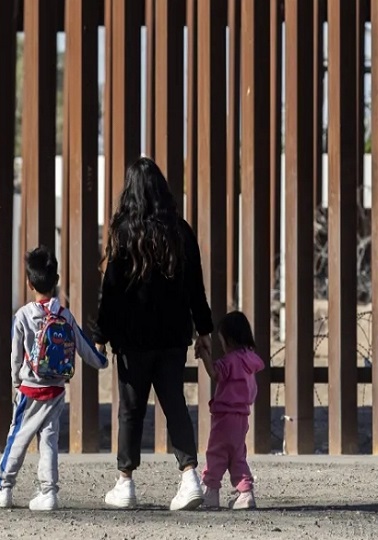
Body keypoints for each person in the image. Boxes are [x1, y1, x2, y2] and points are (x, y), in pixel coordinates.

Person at [93, 157, 214, 511]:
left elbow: (111, 291)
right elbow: (196, 287)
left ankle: (125, 483)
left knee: (130, 410)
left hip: (133, 340)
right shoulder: (181, 230)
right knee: (174, 402)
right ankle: (190, 477)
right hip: (174, 336)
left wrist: (101, 333)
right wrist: (204, 329)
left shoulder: (123, 232)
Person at [0, 246, 109, 511]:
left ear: (29, 282)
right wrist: (102, 360)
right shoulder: (64, 315)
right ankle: (48, 492)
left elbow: (15, 356)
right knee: (49, 440)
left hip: (29, 390)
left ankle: (4, 487)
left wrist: (16, 382)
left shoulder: (22, 316)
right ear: (56, 281)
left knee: (18, 437)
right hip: (56, 388)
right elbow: (84, 347)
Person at [198, 311, 265, 510]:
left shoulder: (231, 360)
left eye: (222, 341)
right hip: (242, 417)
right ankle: (245, 492)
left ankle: (210, 492)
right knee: (237, 455)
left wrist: (204, 355)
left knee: (216, 452)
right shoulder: (250, 360)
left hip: (224, 416)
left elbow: (214, 374)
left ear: (230, 339)